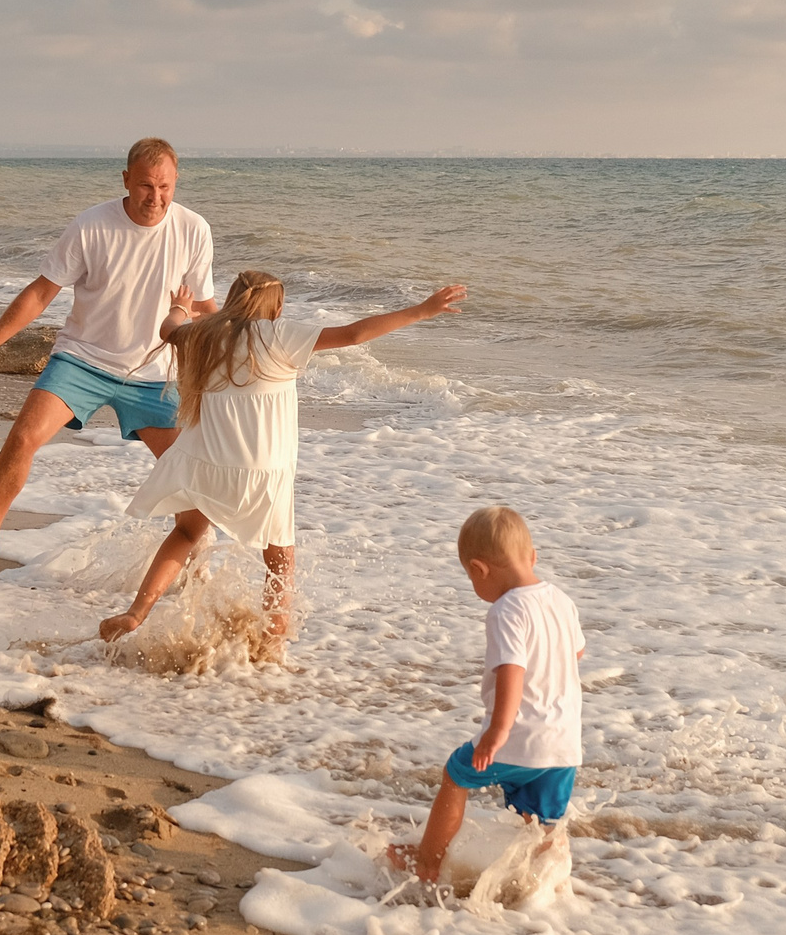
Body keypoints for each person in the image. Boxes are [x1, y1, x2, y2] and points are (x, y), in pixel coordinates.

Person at [98, 271, 468, 646]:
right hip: (263, 472)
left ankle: (136, 612)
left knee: (187, 533)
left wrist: (180, 306)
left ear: (232, 300)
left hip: (203, 461)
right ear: (275, 307)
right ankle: (272, 639)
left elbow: (169, 328)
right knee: (279, 559)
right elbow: (354, 334)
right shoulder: (280, 336)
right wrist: (421, 311)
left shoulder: (205, 334)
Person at [0, 138, 217, 581]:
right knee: (23, 438)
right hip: (83, 360)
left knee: (189, 473)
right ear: (126, 180)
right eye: (146, 185)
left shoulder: (194, 230)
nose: (156, 197)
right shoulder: (92, 225)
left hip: (153, 373)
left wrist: (258, 341)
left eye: (165, 186)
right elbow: (41, 292)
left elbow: (204, 306)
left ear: (176, 181)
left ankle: (193, 570)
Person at [387, 506, 584, 884]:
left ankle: (427, 861)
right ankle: (538, 885)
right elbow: (575, 653)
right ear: (532, 557)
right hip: (563, 742)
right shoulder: (561, 600)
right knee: (539, 823)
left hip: (522, 735)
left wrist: (498, 730)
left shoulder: (507, 609)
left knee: (456, 775)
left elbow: (512, 670)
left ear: (479, 570)